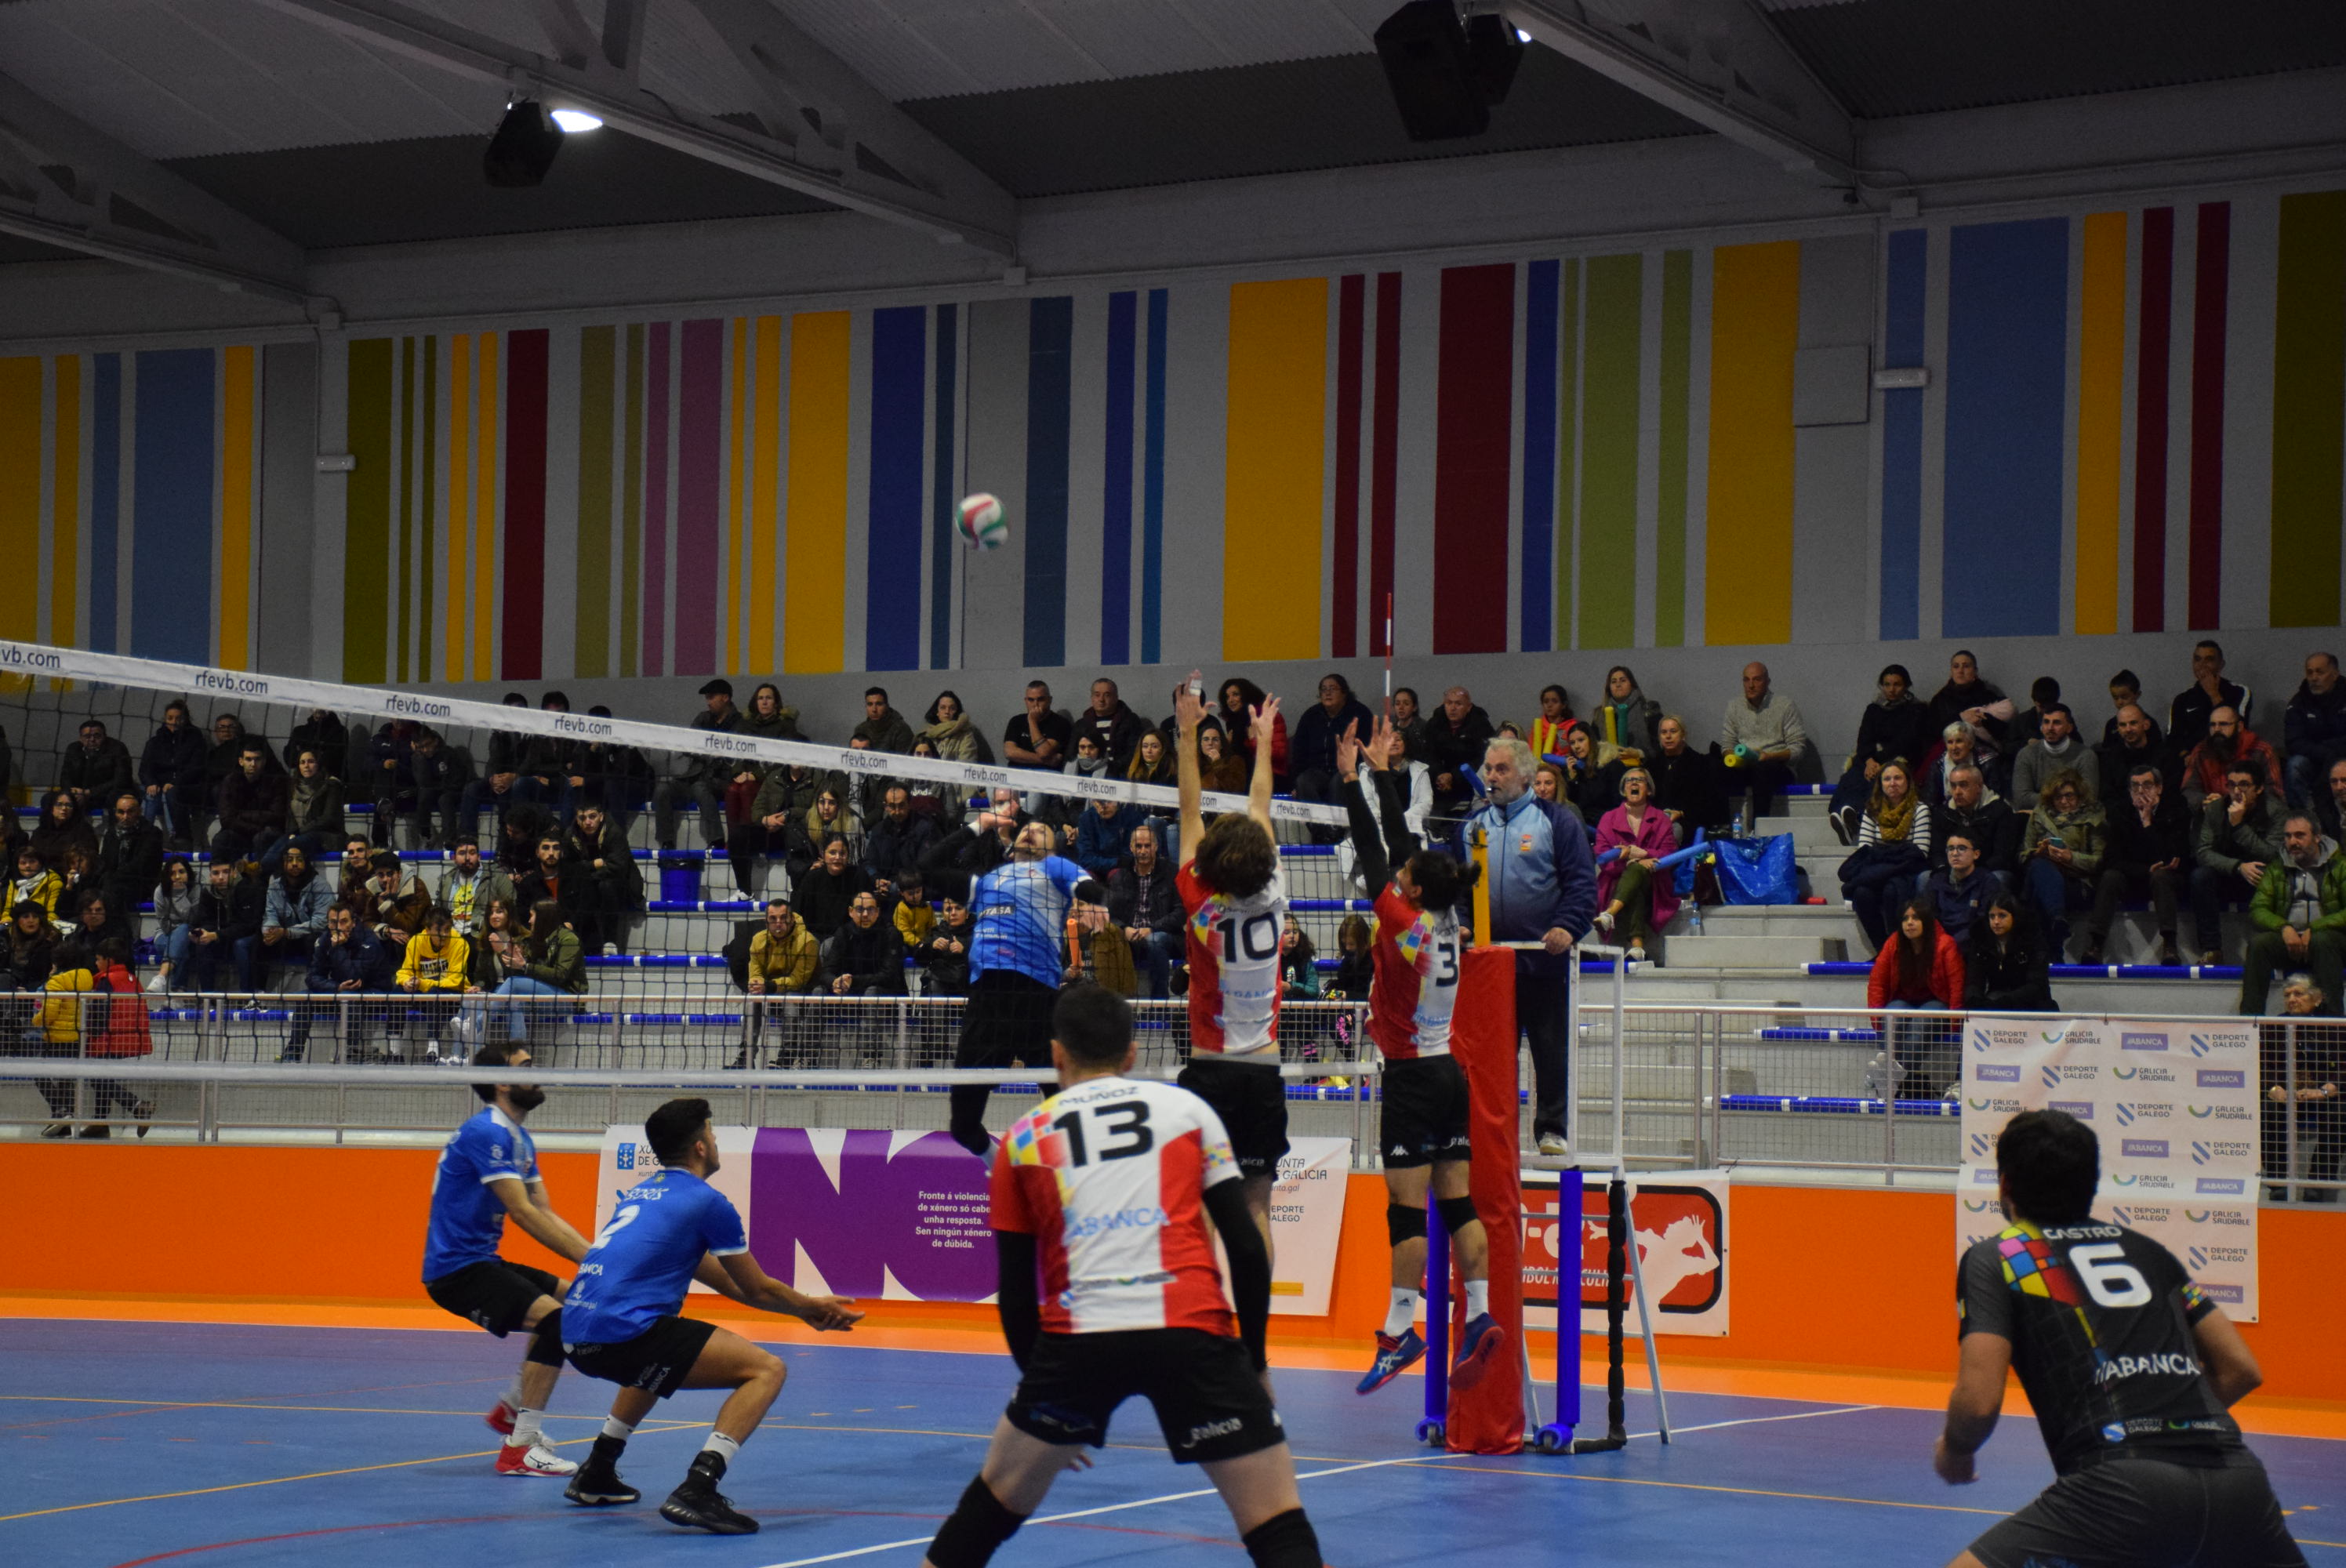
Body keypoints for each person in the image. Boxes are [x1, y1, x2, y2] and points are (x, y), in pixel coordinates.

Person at [918, 986, 1324, 1568]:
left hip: (1080, 1344)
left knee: (984, 1515)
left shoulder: (1025, 1139)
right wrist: (1255, 1362)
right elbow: (1244, 1246)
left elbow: (1016, 1296)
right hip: (1191, 1332)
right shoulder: (1189, 1113)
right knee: (1279, 1527)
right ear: (1132, 1054)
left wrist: (1047, 1405)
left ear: (1056, 1054)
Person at [1934, 1109, 2301, 1568]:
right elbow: (2241, 1370)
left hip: (2120, 1485)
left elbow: (1978, 1402)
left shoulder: (2003, 1256)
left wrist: (1956, 1449)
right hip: (2238, 1481)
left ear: (2005, 1184)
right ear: (2092, 1182)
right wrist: (2171, 1421)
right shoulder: (2149, 1251)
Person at [561, 1098, 862, 1533]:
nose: (716, 1140)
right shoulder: (706, 1201)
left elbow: (731, 1285)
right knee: (767, 1370)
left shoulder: (647, 1193)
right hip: (621, 1331)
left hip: (576, 1332)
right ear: (700, 1146)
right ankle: (698, 1488)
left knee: (657, 1362)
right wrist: (811, 1307)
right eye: (712, 1132)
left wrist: (803, 1311)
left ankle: (597, 1469)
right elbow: (757, 1287)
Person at [1338, 719, 1504, 1396]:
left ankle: (1399, 1330)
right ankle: (1481, 1313)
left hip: (1410, 1077)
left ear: (1410, 890)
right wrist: (1382, 772)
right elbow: (1404, 848)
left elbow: (1375, 848)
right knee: (1457, 1203)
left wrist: (1351, 781)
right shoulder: (1445, 918)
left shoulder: (1404, 923)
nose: (1400, 874)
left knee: (1405, 1213)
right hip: (1448, 1074)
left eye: (1404, 877)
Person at [418, 1039, 594, 1477]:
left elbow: (545, 1210)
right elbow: (523, 1213)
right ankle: (520, 1448)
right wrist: (593, 1263)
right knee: (558, 1322)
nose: (536, 1074)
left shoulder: (518, 1137)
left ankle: (512, 1411)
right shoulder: (487, 1132)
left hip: (482, 1262)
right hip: (457, 1272)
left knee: (578, 1302)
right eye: (525, 1066)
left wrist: (595, 1260)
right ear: (501, 1081)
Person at [919, 777, 1099, 1157]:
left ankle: (1073, 1176)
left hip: (1037, 996)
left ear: (1052, 847)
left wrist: (1097, 903)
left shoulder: (1054, 868)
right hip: (988, 996)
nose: (1032, 833)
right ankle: (997, 1165)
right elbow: (927, 868)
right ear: (1012, 843)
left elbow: (1088, 888)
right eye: (1028, 830)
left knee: (1067, 1112)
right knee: (962, 1125)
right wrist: (978, 826)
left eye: (1042, 832)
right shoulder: (986, 882)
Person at [1172, 673, 1291, 1246]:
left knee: (1200, 1205)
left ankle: (1203, 1301)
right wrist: (1263, 743)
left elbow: (1188, 807)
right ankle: (1255, 1309)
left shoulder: (1199, 903)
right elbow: (1260, 802)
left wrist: (1187, 734)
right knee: (1257, 1205)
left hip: (1211, 1068)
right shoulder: (1275, 891)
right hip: (1263, 1070)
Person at [1471, 734, 1597, 1159]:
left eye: (1501, 769)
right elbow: (1457, 889)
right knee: (1493, 1060)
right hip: (1490, 965)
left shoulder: (1558, 822)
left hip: (1545, 962)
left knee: (1550, 1053)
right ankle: (1496, 1131)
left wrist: (1568, 926)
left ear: (1525, 776)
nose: (1492, 777)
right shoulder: (1472, 827)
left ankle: (1552, 1131)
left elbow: (1583, 884)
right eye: (1489, 769)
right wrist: (1464, 925)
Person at [2238, 812, 2346, 1016]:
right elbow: (2258, 909)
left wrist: (2315, 928)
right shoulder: (2276, 868)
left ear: (2317, 837)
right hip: (2291, 942)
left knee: (2323, 941)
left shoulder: (2341, 866)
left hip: (2333, 945)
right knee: (2259, 944)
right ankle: (2250, 1021)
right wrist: (2284, 928)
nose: (2292, 842)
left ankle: (2332, 1023)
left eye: (2299, 835)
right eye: (2288, 836)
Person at [2088, 761, 2192, 967]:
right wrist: (2145, 870)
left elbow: (2172, 857)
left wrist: (2148, 823)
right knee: (2110, 877)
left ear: (2159, 788)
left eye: (2147, 785)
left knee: (2161, 876)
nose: (2141, 791)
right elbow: (2112, 860)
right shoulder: (2121, 812)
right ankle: (2095, 944)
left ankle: (2170, 945)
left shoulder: (2176, 809)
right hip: (2135, 876)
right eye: (2135, 786)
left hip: (2168, 879)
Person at [1865, 898, 1964, 1099]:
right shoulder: (1893, 943)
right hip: (1903, 1001)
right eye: (1905, 919)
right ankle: (1891, 1077)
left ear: (1927, 921)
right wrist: (1877, 1020)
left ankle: (1886, 1078)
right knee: (1892, 1016)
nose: (1909, 923)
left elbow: (1957, 984)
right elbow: (1877, 983)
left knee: (1922, 1020)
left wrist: (1955, 1022)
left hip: (1937, 1002)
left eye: (1916, 918)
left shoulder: (1945, 944)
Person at [1830, 664, 1936, 846]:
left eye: (1897, 684)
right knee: (1853, 775)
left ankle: (1859, 818)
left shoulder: (1917, 709)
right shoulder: (1874, 709)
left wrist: (1877, 761)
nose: (1891, 689)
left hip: (1901, 758)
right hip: (1873, 758)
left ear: (1906, 686)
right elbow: (1864, 739)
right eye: (1887, 684)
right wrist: (1869, 760)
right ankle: (1843, 813)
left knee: (1880, 778)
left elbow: (1907, 741)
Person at [2193, 761, 2286, 966]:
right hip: (2228, 873)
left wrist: (2238, 826)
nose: (2236, 791)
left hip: (2259, 875)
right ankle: (2212, 949)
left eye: (2244, 785)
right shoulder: (2216, 809)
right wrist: (2237, 866)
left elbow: (2273, 854)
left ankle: (2268, 948)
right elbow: (2204, 851)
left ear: (2259, 789)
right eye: (2232, 785)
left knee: (2272, 874)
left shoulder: (2276, 811)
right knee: (2201, 876)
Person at [282, 900, 398, 1062]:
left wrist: (337, 949)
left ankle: (350, 1052)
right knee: (305, 998)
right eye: (333, 922)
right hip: (342, 992)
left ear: (353, 922)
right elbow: (312, 977)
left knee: (350, 998)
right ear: (328, 924)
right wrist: (336, 987)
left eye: (343, 922)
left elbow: (354, 978)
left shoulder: (369, 941)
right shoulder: (325, 939)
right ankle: (292, 1054)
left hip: (375, 995)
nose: (338, 927)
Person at [2261, 975, 2341, 1201]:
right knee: (2268, 1110)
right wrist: (2273, 1088)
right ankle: (2279, 1183)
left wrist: (2326, 1090)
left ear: (2317, 998)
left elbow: (2343, 1066)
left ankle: (2318, 1182)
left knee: (2339, 1114)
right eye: (2287, 995)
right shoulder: (2275, 1026)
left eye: (2299, 994)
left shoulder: (2335, 1026)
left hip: (2322, 1095)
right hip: (2287, 1094)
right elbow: (2263, 1064)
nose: (2292, 999)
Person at [1841, 759, 1934, 951]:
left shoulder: (1920, 810)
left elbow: (1920, 852)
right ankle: (1884, 950)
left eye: (1898, 778)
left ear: (1908, 782)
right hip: (1879, 871)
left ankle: (1899, 947)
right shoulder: (1872, 810)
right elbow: (1865, 851)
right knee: (1862, 893)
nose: (1893, 783)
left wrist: (1882, 853)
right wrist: (1899, 851)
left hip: (1907, 870)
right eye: (1887, 779)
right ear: (1880, 784)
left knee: (1893, 890)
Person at [1591, 768, 1678, 960]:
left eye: (1640, 780)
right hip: (1615, 879)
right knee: (1635, 878)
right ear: (1624, 789)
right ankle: (1637, 948)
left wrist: (1645, 854)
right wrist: (1631, 862)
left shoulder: (1662, 819)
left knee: (1637, 871)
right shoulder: (1608, 818)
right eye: (1629, 780)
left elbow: (1669, 853)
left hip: (1654, 880)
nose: (1634, 783)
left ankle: (1610, 913)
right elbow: (1602, 855)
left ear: (1649, 789)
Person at [2021, 770, 2104, 960]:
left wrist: (2070, 857)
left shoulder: (2093, 817)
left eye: (2069, 796)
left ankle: (2049, 953)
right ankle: (2057, 921)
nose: (2064, 801)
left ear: (2079, 796)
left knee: (2037, 890)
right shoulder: (2039, 815)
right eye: (2058, 797)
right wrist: (2039, 852)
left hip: (2078, 883)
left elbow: (2099, 861)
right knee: (2040, 867)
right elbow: (2023, 854)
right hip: (2045, 875)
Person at [652, 679, 742, 851]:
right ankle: (666, 842)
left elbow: (731, 756)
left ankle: (717, 840)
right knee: (662, 789)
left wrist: (706, 752)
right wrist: (711, 753)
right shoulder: (703, 718)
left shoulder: (740, 723)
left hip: (721, 779)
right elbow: (689, 746)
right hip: (692, 776)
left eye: (711, 697)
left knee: (700, 788)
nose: (708, 702)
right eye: (707, 698)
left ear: (725, 698)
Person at [730, 897, 819, 1069]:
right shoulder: (758, 939)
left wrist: (768, 986)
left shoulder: (807, 941)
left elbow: (798, 980)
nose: (778, 923)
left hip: (802, 993)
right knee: (752, 1000)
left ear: (791, 919)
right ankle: (746, 1055)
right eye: (773, 919)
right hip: (770, 991)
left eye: (783, 918)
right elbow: (755, 972)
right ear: (766, 921)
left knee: (790, 1001)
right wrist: (756, 983)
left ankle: (787, 1055)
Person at [1719, 662, 1809, 829]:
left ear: (1767, 682)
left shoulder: (1785, 706)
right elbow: (1727, 743)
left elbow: (1798, 749)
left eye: (1757, 679)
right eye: (1746, 680)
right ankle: (1722, 827)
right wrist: (1733, 757)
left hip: (1778, 766)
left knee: (1763, 769)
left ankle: (1758, 829)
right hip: (1744, 765)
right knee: (1715, 766)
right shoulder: (1734, 706)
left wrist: (1770, 756)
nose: (1751, 685)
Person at [85, 936, 153, 1137]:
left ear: (109, 960)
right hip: (130, 1037)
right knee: (104, 1078)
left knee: (97, 1078)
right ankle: (99, 1123)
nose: (96, 963)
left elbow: (101, 1010)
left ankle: (137, 1106)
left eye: (98, 959)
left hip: (108, 1039)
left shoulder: (107, 980)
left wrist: (92, 1033)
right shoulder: (133, 978)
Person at [1106, 821, 1182, 1000]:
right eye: (1139, 846)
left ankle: (1159, 1006)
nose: (1143, 851)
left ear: (1156, 847)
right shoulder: (1120, 876)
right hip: (1131, 936)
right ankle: (1113, 1002)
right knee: (1104, 935)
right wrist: (1124, 929)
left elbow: (1180, 913)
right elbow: (1110, 914)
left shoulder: (1172, 873)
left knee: (1155, 940)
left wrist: (1152, 928)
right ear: (1131, 848)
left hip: (1164, 936)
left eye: (1147, 846)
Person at [1291, 673, 1377, 825]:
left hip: (1350, 769)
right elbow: (1299, 751)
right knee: (1304, 781)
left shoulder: (1360, 714)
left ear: (1344, 693)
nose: (1327, 693)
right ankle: (1318, 829)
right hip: (1318, 770)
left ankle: (1336, 829)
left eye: (1332, 689)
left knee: (1338, 783)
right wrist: (1295, 783)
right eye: (1323, 690)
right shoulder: (1311, 715)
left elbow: (1368, 749)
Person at [29, 940, 95, 1138]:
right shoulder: (86, 977)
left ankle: (61, 1111)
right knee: (66, 1080)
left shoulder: (57, 982)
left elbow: (49, 1013)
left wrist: (35, 1021)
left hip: (57, 1036)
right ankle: (63, 1121)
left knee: (38, 1073)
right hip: (78, 1037)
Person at [1927, 651, 2014, 787]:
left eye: (1966, 666)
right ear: (1951, 671)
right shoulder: (1940, 699)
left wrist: (1983, 720)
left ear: (1975, 671)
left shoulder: (1989, 695)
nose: (1960, 671)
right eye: (1956, 666)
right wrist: (1961, 718)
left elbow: (2004, 732)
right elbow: (1932, 732)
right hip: (1950, 753)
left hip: (1985, 754)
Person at [1930, 764, 2021, 892]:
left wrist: (1972, 872)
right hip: (1952, 871)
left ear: (1979, 786)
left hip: (1988, 870)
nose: (1957, 792)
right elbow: (1937, 852)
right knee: (1925, 878)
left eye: (1963, 785)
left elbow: (2003, 856)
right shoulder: (1944, 813)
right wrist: (1948, 871)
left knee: (1999, 878)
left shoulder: (2001, 811)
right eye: (1953, 786)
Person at [396, 905, 470, 1060]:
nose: (444, 935)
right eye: (439, 931)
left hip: (451, 997)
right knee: (396, 992)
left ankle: (433, 1050)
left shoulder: (460, 943)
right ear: (428, 929)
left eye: (447, 929)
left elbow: (455, 981)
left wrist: (423, 983)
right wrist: (406, 982)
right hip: (423, 993)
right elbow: (404, 971)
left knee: (434, 994)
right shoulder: (416, 941)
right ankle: (394, 1052)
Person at [256, 844, 331, 989]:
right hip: (287, 938)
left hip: (310, 937)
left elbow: (321, 922)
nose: (294, 864)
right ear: (283, 863)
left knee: (313, 940)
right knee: (259, 940)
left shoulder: (321, 886)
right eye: (290, 860)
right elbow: (270, 914)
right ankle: (258, 993)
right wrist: (270, 931)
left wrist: (287, 932)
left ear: (306, 862)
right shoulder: (275, 886)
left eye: (299, 860)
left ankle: (315, 988)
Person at [1964, 895, 2055, 1013]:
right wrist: (1974, 1001)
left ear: (2015, 916)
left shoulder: (2033, 940)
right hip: (1997, 998)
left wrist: (2005, 1002)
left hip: (2035, 1004)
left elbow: (2037, 985)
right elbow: (1974, 981)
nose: (1996, 921)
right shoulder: (1980, 941)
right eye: (1992, 916)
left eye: (2002, 916)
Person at [1422, 685, 1495, 829]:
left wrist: (1454, 776)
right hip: (1438, 784)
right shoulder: (1434, 723)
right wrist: (1439, 774)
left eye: (1458, 704)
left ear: (1468, 707)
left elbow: (1482, 758)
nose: (1453, 708)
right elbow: (1427, 754)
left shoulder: (1481, 725)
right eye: (1449, 703)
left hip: (1468, 785)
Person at [2182, 705, 2282, 811]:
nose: (2217, 729)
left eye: (2223, 724)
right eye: (2212, 725)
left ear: (2239, 726)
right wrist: (2205, 800)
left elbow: (2275, 792)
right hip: (2212, 812)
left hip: (2254, 813)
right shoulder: (2201, 751)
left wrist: (2246, 804)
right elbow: (2189, 790)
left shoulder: (2261, 751)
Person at [139, 701, 209, 844]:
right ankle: (142, 836)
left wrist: (175, 783)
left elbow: (196, 768)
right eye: (170, 718)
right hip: (158, 785)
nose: (174, 722)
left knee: (170, 793)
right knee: (150, 795)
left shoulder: (196, 740)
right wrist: (151, 783)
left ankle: (175, 835)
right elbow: (145, 768)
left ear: (186, 719)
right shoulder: (155, 742)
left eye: (179, 718)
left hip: (185, 786)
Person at [2282, 652, 2346, 810]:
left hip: (2343, 755)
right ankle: (2305, 817)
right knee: (2295, 766)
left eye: (2320, 672)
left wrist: (2331, 750)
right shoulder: (2298, 703)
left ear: (2335, 674)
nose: (2314, 678)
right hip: (2315, 758)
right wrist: (2324, 752)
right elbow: (2294, 742)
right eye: (2310, 672)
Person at [2167, 638, 2252, 757]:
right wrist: (2186, 756)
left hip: (2229, 755)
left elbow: (2240, 730)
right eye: (2197, 659)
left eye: (2209, 660)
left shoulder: (2239, 691)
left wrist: (2214, 694)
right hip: (2192, 759)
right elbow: (2173, 739)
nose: (2202, 665)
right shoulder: (2182, 699)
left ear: (2221, 664)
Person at [2008, 704, 2098, 812]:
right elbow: (2022, 799)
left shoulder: (2086, 756)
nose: (2050, 728)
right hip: (2035, 816)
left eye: (2057, 723)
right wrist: (2066, 799)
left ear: (2069, 728)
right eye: (2046, 722)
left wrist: (2051, 800)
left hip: (2075, 817)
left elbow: (2089, 798)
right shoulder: (2026, 754)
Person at [1647, 714, 1726, 839]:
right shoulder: (1651, 765)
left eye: (1673, 731)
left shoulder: (1700, 763)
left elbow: (1707, 802)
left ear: (1683, 735)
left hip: (1688, 821)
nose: (1668, 736)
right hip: (1656, 819)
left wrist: (1681, 813)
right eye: (1664, 732)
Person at [212, 741, 290, 866]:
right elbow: (227, 819)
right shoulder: (230, 781)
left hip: (266, 833)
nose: (253, 764)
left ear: (264, 761)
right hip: (243, 832)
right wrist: (255, 827)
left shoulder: (276, 781)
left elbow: (277, 816)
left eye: (257, 759)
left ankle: (262, 876)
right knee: (221, 839)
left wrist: (241, 815)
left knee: (264, 837)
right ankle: (220, 875)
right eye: (248, 759)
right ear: (241, 761)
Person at [93, 790, 162, 919]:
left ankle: (115, 927)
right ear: (115, 813)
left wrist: (112, 877)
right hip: (112, 881)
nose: (125, 816)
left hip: (140, 884)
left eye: (130, 812)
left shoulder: (152, 833)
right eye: (121, 812)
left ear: (139, 812)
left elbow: (142, 865)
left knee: (112, 889)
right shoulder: (111, 833)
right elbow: (105, 861)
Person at [1922, 830, 1996, 949]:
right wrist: (1943, 941)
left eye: (1962, 848)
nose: (1955, 853)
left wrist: (1953, 943)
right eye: (1951, 849)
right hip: (1941, 943)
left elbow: (1984, 921)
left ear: (1976, 854)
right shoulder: (1937, 880)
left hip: (1973, 944)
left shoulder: (1987, 881)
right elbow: (1929, 915)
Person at [2094, 702, 2182, 800]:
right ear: (2118, 729)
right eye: (2123, 725)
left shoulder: (2167, 756)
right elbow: (2108, 797)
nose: (2128, 729)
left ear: (2146, 725)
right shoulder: (2110, 759)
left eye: (2133, 723)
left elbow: (2172, 793)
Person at [408, 728, 471, 848]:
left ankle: (449, 839)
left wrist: (441, 788)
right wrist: (420, 758)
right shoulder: (418, 758)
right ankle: (425, 835)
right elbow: (423, 782)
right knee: (424, 795)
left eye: (428, 745)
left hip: (454, 791)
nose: (425, 750)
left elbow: (458, 781)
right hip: (434, 791)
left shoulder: (449, 754)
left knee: (444, 799)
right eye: (421, 747)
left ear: (435, 741)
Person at [57, 717, 134, 810]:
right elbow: (65, 776)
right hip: (79, 795)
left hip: (105, 794)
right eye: (87, 736)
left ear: (105, 736)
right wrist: (73, 792)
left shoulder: (117, 748)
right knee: (48, 799)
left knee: (116, 798)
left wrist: (89, 792)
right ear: (80, 738)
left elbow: (122, 779)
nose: (92, 740)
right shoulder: (73, 749)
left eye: (97, 736)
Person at [1002, 680, 1072, 779]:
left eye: (1041, 699)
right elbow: (1010, 752)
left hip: (1046, 775)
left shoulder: (1060, 723)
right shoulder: (1016, 721)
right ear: (1026, 701)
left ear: (1050, 700)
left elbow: (1044, 753)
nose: (1035, 704)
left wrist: (1032, 721)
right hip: (1016, 773)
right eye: (1031, 700)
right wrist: (1047, 761)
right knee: (995, 786)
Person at [921, 690, 993, 763]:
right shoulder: (926, 734)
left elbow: (967, 761)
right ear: (937, 712)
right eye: (943, 708)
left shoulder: (965, 734)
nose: (947, 712)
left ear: (957, 712)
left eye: (952, 708)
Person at [2008, 676, 2061, 750]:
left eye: (2045, 707)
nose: (2041, 711)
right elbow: (2007, 747)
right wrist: (2027, 743)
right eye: (2039, 706)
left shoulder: (2065, 719)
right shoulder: (2022, 720)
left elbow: (2075, 745)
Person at [1527, 684, 1574, 762]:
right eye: (1546, 702)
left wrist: (1556, 731)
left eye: (1554, 701)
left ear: (1564, 705)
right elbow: (1531, 751)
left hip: (1563, 766)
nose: (1549, 705)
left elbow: (1567, 751)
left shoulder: (1571, 726)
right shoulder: (1538, 726)